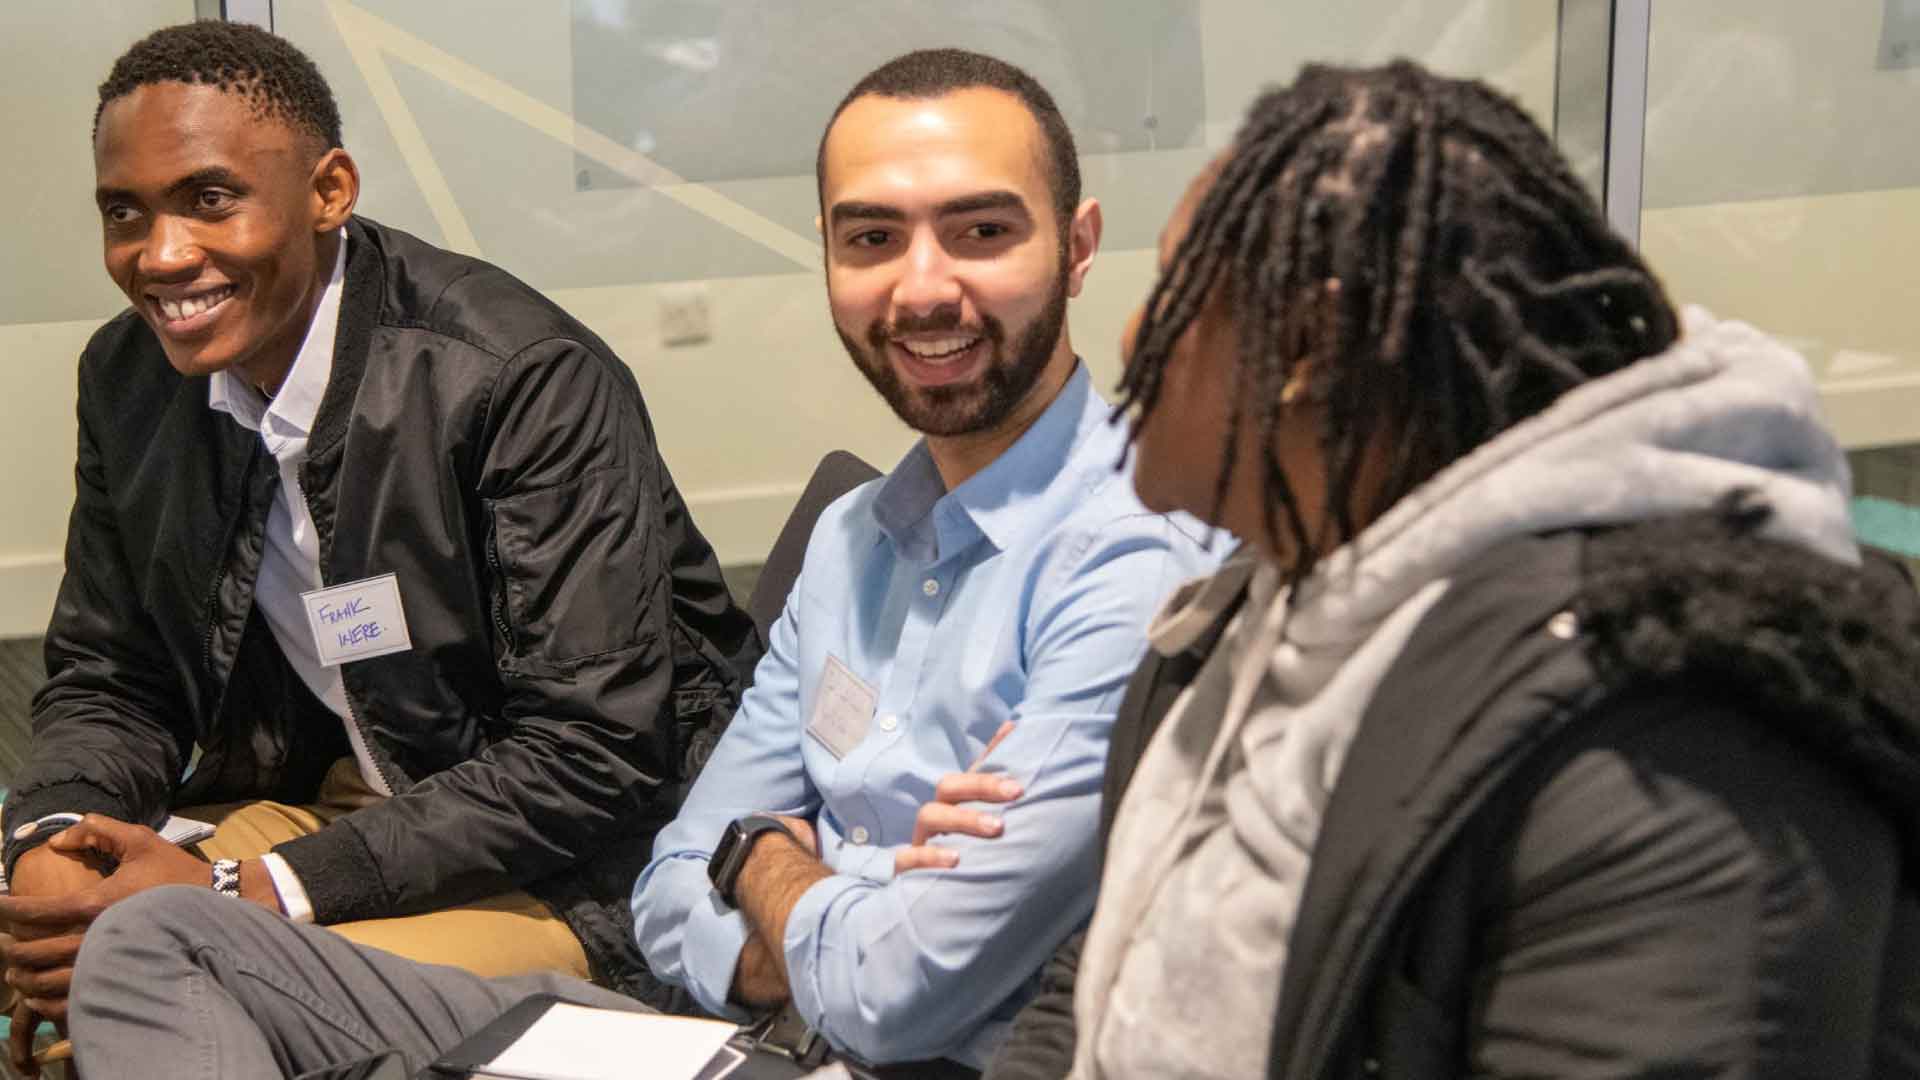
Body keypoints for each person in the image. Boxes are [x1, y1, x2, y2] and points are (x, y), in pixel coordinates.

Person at [51, 47, 1220, 1079]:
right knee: (114, 936)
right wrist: (50, 834)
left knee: (181, 966)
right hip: (717, 1024)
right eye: (872, 236)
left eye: (981, 230)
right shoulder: (856, 541)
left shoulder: (1139, 566)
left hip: (603, 899)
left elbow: (887, 988)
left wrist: (764, 863)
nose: (920, 284)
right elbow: (682, 898)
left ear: (1075, 250)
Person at [974, 61, 1920, 1078]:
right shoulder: (1239, 621)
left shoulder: (1671, 741)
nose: (1128, 332)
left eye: (1169, 284)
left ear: (1306, 342)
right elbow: (1098, 975)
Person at [0, 18, 758, 1058]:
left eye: (210, 199)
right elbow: (111, 676)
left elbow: (594, 755)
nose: (161, 255)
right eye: (123, 213)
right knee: (50, 948)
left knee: (159, 994)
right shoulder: (131, 379)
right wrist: (50, 837)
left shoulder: (516, 376)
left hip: (577, 858)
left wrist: (247, 886)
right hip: (353, 797)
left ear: (328, 192)